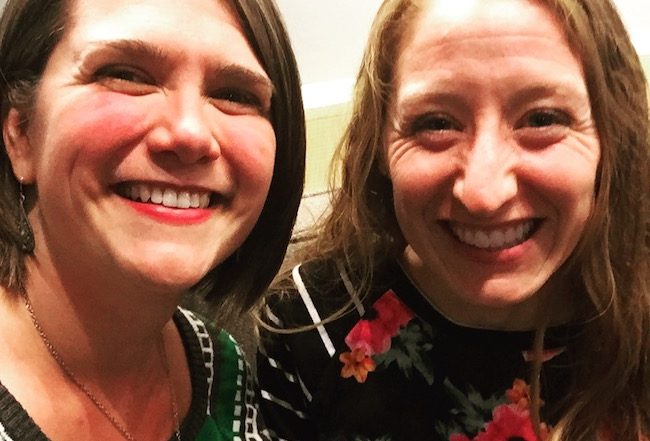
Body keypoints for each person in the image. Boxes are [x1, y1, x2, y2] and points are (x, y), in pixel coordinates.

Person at [255, 0, 650, 440]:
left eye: (542, 119)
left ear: (611, 137)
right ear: (379, 143)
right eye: (436, 123)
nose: (484, 195)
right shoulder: (311, 324)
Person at [0, 0, 305, 439]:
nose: (190, 133)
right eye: (125, 75)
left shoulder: (222, 368)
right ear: (21, 134)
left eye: (235, 95)